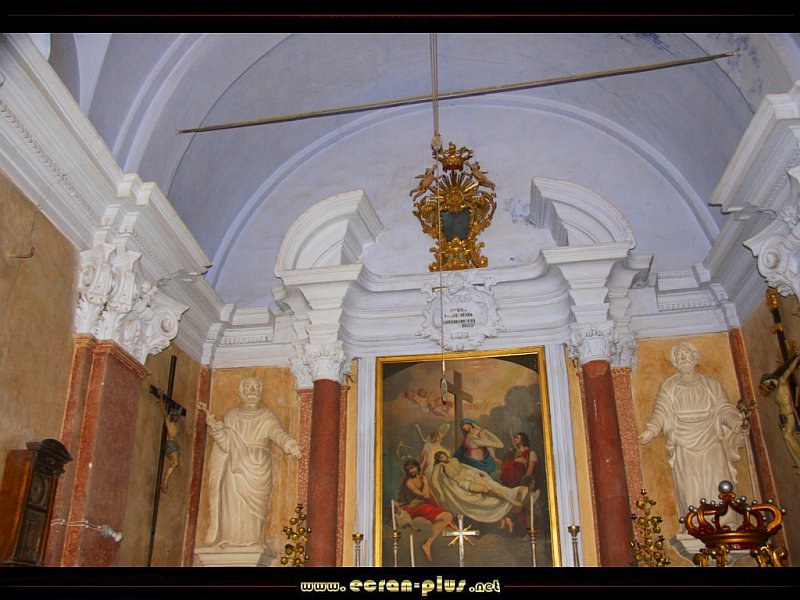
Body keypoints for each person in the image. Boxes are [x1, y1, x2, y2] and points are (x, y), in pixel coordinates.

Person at [639, 343, 746, 520]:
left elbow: (723, 408)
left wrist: (735, 422)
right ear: (675, 362)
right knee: (689, 486)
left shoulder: (711, 385)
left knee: (718, 479)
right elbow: (661, 412)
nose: (683, 358)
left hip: (711, 440)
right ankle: (696, 523)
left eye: (686, 354)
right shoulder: (669, 387)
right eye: (679, 356)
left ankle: (726, 522)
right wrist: (651, 430)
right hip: (684, 443)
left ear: (695, 358)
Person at [198, 376, 302, 549]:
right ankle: (229, 540)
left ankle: (254, 541)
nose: (252, 390)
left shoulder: (267, 416)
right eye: (247, 387)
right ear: (241, 392)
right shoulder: (232, 416)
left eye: (255, 387)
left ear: (260, 392)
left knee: (255, 511)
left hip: (258, 466)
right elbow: (226, 444)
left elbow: (277, 434)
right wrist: (217, 431)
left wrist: (290, 444)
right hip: (235, 466)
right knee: (232, 504)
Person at [430, 451, 528, 533]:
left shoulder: (453, 459)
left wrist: (478, 472)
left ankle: (511, 501)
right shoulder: (439, 466)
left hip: (471, 475)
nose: (443, 458)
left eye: (443, 455)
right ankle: (509, 503)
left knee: (492, 488)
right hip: (464, 482)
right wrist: (440, 493)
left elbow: (464, 467)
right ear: (439, 460)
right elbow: (434, 480)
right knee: (487, 490)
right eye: (441, 458)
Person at [397, 458, 454, 562]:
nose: (410, 471)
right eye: (408, 470)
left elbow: (428, 495)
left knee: (447, 517)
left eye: (412, 468)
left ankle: (429, 543)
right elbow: (424, 495)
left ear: (416, 467)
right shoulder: (409, 482)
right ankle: (428, 543)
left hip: (424, 505)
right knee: (447, 516)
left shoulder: (422, 477)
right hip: (415, 508)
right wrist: (426, 483)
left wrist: (425, 484)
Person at [760, 353, 800, 472]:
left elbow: (789, 369)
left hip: (789, 414)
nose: (768, 386)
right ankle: (797, 462)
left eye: (766, 383)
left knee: (788, 436)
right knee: (786, 438)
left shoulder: (782, 382)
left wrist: (797, 357)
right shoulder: (776, 390)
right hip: (783, 417)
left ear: (769, 379)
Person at [499, 432, 541, 531]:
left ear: (523, 440)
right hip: (514, 485)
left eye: (517, 438)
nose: (515, 439)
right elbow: (504, 465)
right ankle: (518, 531)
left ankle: (529, 532)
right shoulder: (514, 453)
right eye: (515, 438)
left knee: (525, 508)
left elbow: (530, 470)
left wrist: (524, 483)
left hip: (524, 484)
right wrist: (514, 461)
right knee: (515, 508)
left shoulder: (531, 453)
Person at [159, 403, 182, 494]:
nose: (177, 418)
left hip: (174, 444)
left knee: (174, 463)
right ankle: (164, 483)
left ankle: (165, 483)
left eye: (178, 416)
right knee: (175, 462)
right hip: (170, 444)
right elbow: (164, 412)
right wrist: (161, 400)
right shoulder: (169, 422)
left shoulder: (175, 425)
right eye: (176, 416)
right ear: (173, 415)